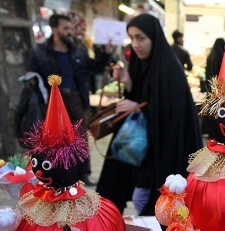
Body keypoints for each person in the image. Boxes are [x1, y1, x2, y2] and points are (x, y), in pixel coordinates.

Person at [96, 13, 203, 215]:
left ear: (154, 37)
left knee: (155, 200)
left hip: (166, 146)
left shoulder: (169, 68)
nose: (135, 44)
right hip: (147, 145)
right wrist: (128, 81)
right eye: (132, 38)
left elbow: (170, 112)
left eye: (141, 38)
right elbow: (144, 95)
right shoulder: (141, 63)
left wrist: (136, 106)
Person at [28, 13, 114, 186]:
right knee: (55, 138)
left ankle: (83, 174)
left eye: (70, 28)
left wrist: (106, 53)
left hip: (75, 96)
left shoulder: (77, 50)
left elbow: (96, 67)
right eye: (65, 28)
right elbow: (31, 74)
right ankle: (57, 173)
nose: (69, 32)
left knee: (80, 137)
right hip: (52, 101)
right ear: (54, 29)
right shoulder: (40, 52)